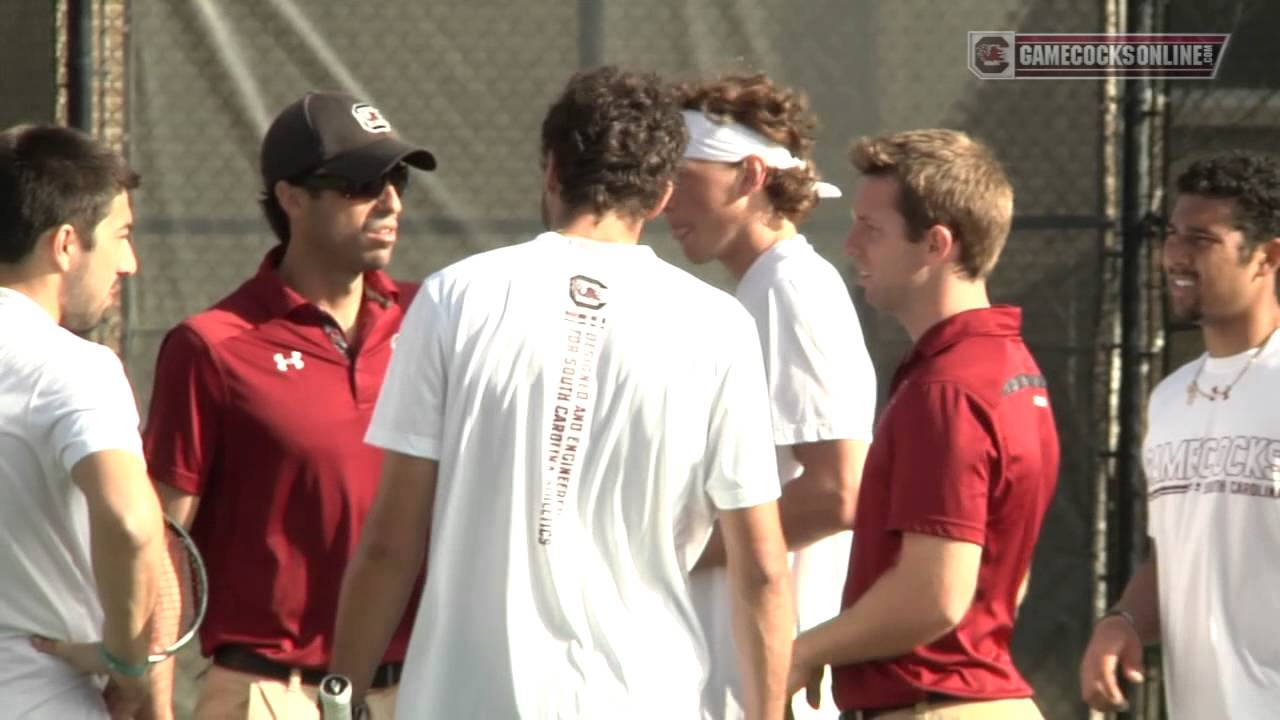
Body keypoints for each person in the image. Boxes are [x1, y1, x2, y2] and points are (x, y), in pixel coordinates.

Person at [327, 66, 795, 720]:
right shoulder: (718, 327)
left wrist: (337, 696)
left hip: (465, 702)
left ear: (551, 170)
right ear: (662, 195)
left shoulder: (455, 298)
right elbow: (764, 568)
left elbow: (389, 543)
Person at [141, 91, 436, 719]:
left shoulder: (434, 320)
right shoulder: (212, 346)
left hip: (419, 690)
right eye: (363, 183)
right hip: (270, 695)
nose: (391, 202)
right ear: (292, 198)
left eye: (398, 178)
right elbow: (161, 543)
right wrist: (155, 703)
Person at [789, 129, 1059, 719]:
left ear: (936, 244)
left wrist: (802, 651)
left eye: (872, 228)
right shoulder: (1012, 369)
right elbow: (1000, 580)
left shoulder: (947, 389)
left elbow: (933, 595)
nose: (852, 244)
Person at [663, 72, 875, 720]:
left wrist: (671, 550)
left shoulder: (792, 289)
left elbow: (841, 492)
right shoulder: (759, 291)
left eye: (684, 174)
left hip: (775, 688)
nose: (664, 197)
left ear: (750, 175)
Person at [1079, 152, 1280, 719]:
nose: (1174, 255)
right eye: (1171, 235)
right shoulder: (1170, 399)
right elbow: (1177, 555)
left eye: (1201, 238)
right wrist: (1122, 621)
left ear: (1267, 257)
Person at [0, 124, 165, 718]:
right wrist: (126, 662)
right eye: (120, 235)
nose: (130, 263)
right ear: (66, 244)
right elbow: (129, 521)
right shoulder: (78, 368)